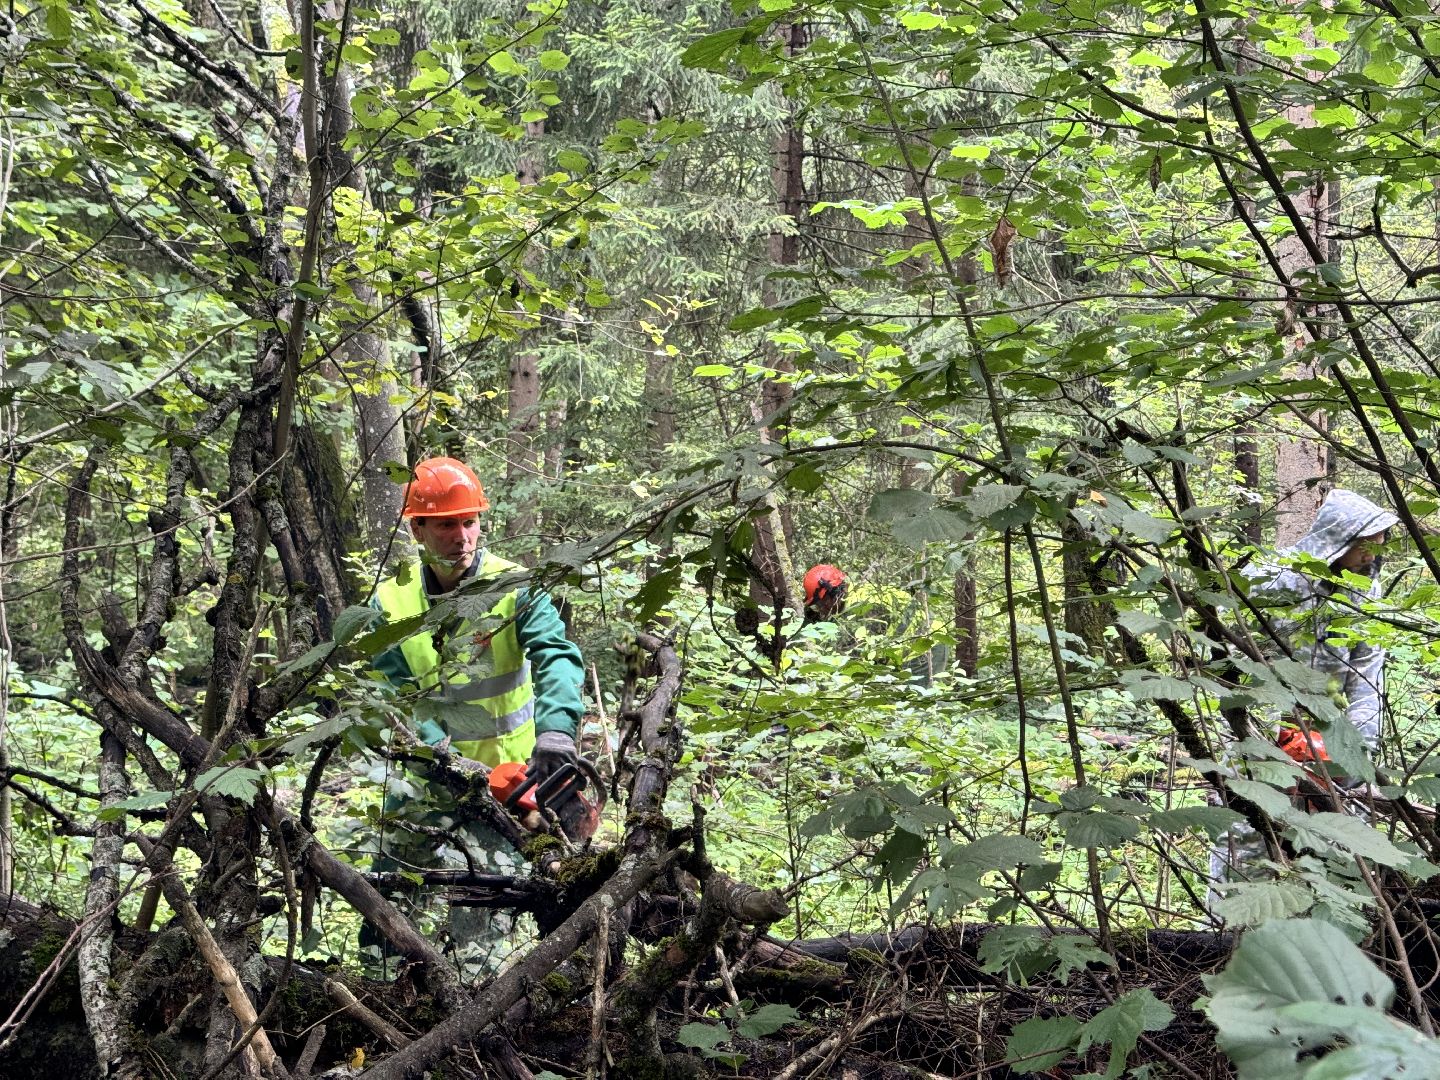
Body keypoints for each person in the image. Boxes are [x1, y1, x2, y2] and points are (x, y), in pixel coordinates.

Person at [367, 456, 585, 973]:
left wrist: (556, 731)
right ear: (417, 528)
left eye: (469, 521)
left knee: (484, 921)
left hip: (507, 786)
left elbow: (556, 655)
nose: (461, 536)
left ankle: (472, 1014)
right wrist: (433, 749)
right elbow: (389, 693)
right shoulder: (390, 600)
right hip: (423, 785)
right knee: (389, 904)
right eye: (446, 524)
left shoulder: (514, 587)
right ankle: (378, 994)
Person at [1209, 488, 1397, 901]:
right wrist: (1268, 733)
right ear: (1339, 537)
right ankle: (1229, 933)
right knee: (1251, 840)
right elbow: (1230, 664)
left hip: (1333, 743)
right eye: (1366, 542)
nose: (1374, 552)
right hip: (1264, 739)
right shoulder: (1270, 579)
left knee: (1338, 847)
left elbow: (1367, 676)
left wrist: (1356, 748)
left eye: (1380, 542)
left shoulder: (1365, 592)